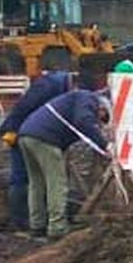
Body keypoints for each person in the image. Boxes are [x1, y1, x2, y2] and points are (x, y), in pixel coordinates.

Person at [17, 87, 109, 240]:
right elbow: (83, 121)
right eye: (102, 117)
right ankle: (57, 227)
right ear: (102, 107)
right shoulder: (88, 99)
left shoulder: (77, 100)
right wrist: (105, 145)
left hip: (27, 135)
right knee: (57, 184)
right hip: (45, 139)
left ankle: (37, 225)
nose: (99, 121)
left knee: (37, 183)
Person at [0, 68, 72, 230]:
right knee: (22, 176)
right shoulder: (50, 85)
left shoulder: (61, 86)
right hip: (18, 131)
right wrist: (11, 131)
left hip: (36, 130)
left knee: (36, 178)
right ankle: (22, 221)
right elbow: (23, 107)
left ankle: (37, 220)